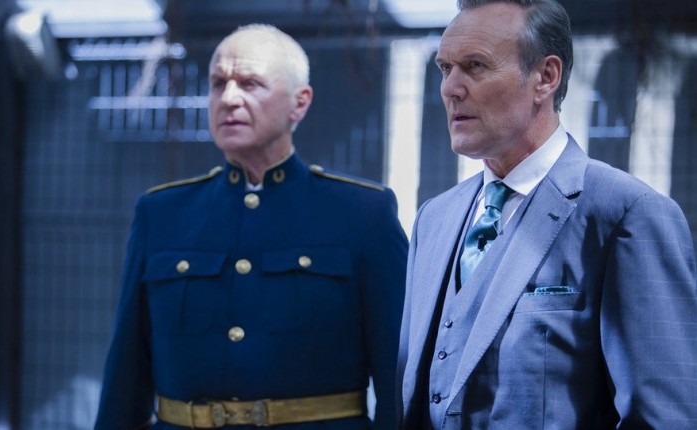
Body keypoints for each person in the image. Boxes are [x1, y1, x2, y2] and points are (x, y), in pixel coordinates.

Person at [397, 0, 697, 428]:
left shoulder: (627, 214)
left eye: (475, 66)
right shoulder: (434, 219)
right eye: (446, 68)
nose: (450, 89)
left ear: (546, 77)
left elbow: (664, 418)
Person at [95, 24, 408, 430]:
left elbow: (398, 379)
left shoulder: (362, 214)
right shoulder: (161, 214)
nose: (228, 98)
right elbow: (125, 377)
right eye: (217, 83)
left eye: (250, 84)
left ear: (299, 103)